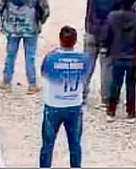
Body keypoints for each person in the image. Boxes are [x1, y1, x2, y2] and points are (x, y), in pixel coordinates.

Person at [39, 26, 89, 168]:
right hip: (74, 104)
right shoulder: (84, 58)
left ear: (60, 40)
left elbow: (44, 74)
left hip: (54, 104)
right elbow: (85, 77)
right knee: (75, 145)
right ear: (75, 41)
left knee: (47, 145)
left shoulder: (51, 58)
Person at [0, 0, 50, 93]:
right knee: (30, 56)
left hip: (12, 23)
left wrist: (4, 17)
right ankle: (32, 84)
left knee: (10, 54)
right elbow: (44, 7)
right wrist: (41, 21)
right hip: (30, 24)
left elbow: (0, 3)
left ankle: (6, 81)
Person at [79, 0, 122, 106]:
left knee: (88, 64)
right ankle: (105, 98)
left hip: (91, 30)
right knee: (106, 66)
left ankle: (82, 94)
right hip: (107, 34)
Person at [101, 0, 136, 121]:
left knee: (115, 83)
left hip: (116, 55)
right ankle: (130, 112)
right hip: (133, 56)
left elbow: (107, 36)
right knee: (131, 84)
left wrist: (107, 48)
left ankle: (111, 111)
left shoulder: (112, 17)